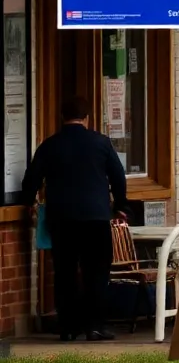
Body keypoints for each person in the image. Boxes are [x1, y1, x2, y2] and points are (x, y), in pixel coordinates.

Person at [21, 96, 126, 342]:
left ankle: (68, 327)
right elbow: (118, 177)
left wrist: (28, 202)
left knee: (65, 272)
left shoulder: (50, 145)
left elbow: (32, 178)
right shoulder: (101, 143)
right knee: (96, 272)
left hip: (62, 218)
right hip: (96, 217)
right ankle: (95, 326)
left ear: (62, 117)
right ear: (86, 118)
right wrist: (121, 206)